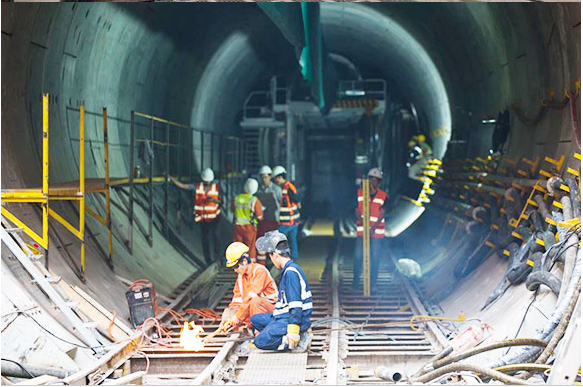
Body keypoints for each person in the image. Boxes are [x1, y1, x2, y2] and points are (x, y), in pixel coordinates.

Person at [250, 231, 313, 352]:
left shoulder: (290, 273)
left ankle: (297, 340)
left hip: (290, 319)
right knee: (255, 320)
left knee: (260, 342)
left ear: (275, 255)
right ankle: (278, 333)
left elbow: (296, 305)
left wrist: (293, 330)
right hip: (281, 316)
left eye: (271, 257)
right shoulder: (288, 270)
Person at [219, 242, 278, 333]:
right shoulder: (240, 277)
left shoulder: (259, 271)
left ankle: (260, 334)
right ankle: (249, 329)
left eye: (236, 266)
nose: (235, 270)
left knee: (254, 301)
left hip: (271, 310)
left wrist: (238, 317)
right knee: (238, 315)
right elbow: (236, 301)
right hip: (255, 311)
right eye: (233, 268)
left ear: (245, 261)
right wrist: (230, 315)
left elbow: (250, 297)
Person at [169, 167, 220, 264]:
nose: (207, 184)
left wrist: (213, 201)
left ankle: (217, 258)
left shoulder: (216, 187)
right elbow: (183, 186)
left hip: (214, 217)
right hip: (203, 218)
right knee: (205, 239)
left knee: (215, 236)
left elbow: (220, 201)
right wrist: (172, 179)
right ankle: (208, 261)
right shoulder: (197, 186)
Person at [353, 167, 389, 290]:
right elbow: (357, 210)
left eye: (375, 180)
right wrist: (363, 223)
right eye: (371, 180)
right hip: (362, 231)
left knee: (375, 257)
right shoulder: (359, 193)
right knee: (358, 256)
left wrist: (373, 228)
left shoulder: (383, 196)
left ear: (379, 182)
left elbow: (382, 213)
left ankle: (373, 284)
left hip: (376, 232)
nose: (372, 183)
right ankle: (356, 282)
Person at [272, 166, 301, 260]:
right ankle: (293, 257)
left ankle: (280, 256)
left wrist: (298, 203)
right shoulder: (285, 187)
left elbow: (296, 199)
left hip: (289, 220)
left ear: (280, 177)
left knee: (278, 236)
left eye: (275, 178)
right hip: (293, 219)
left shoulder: (288, 186)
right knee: (292, 239)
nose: (275, 181)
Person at [256, 165, 283, 265]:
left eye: (266, 177)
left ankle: (273, 262)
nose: (264, 179)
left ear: (270, 177)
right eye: (262, 177)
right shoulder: (258, 190)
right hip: (262, 220)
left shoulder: (277, 189)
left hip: (273, 219)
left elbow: (281, 204)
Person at [232, 178, 263, 261]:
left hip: (238, 226)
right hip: (250, 227)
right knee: (250, 247)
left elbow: (232, 209)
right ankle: (250, 265)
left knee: (238, 246)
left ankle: (238, 264)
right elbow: (260, 217)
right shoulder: (254, 200)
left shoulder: (237, 198)